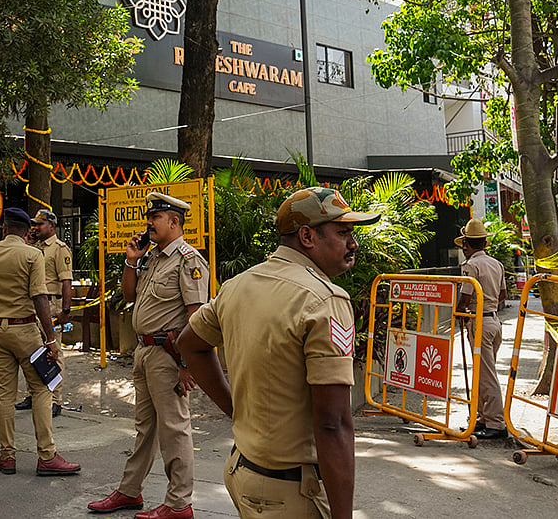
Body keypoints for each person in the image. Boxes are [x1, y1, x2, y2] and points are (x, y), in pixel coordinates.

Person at [176, 187, 379, 519]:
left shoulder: (238, 285)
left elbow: (190, 344)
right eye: (343, 233)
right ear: (307, 236)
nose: (353, 243)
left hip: (243, 471)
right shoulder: (325, 299)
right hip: (292, 493)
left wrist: (236, 411)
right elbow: (333, 424)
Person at [88, 192, 208, 519]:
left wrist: (187, 365)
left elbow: (196, 318)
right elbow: (129, 295)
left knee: (174, 429)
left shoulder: (188, 260)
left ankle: (179, 503)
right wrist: (131, 260)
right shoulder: (152, 257)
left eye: (155, 218)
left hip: (168, 355)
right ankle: (130, 491)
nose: (148, 223)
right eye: (149, 217)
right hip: (144, 352)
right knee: (145, 428)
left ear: (174, 221)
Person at [0, 208, 80, 477]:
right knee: (41, 389)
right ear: (26, 231)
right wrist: (51, 339)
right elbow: (39, 298)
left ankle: (7, 456)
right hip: (25, 331)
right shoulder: (33, 255)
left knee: (5, 394)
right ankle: (47, 456)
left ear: (5, 228)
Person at [455, 218, 508, 440]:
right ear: (485, 244)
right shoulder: (497, 264)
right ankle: (483, 418)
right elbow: (503, 294)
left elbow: (466, 296)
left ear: (466, 244)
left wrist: (459, 312)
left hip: (480, 322)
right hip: (494, 321)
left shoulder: (470, 266)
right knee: (482, 372)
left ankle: (496, 422)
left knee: (486, 375)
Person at [16, 209, 73, 417]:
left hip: (51, 305)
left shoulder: (59, 249)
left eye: (40, 224)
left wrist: (65, 310)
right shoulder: (34, 248)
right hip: (33, 306)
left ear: (52, 225)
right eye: (35, 224)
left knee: (53, 350)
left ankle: (55, 399)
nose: (36, 228)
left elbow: (66, 281)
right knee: (33, 352)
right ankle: (34, 395)